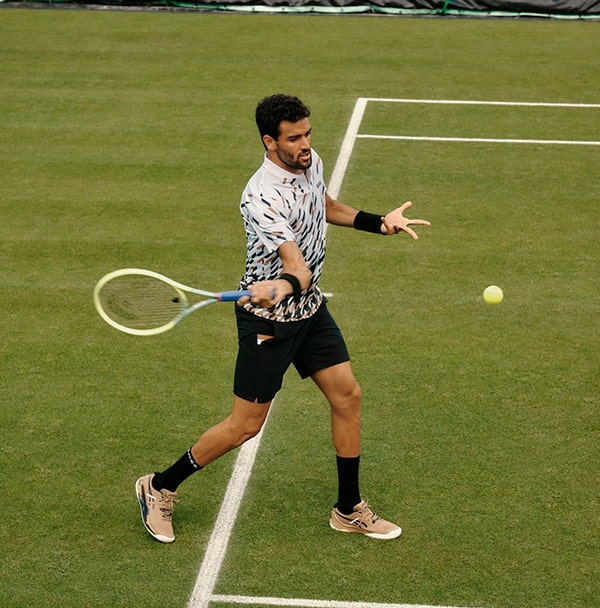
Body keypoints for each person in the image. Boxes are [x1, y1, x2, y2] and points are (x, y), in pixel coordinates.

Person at [135, 94, 430, 544]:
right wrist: (287, 284)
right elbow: (295, 262)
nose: (305, 144)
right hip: (267, 322)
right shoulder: (260, 196)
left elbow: (324, 206)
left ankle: (348, 509)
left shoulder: (310, 163)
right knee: (244, 427)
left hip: (308, 311)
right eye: (294, 138)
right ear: (269, 141)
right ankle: (159, 486)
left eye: (307, 133)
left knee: (347, 397)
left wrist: (377, 222)